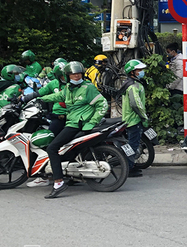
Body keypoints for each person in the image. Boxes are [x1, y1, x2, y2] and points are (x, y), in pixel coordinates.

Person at [29, 61, 108, 198]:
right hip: (71, 122)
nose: (76, 76)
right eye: (73, 74)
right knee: (67, 148)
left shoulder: (88, 88)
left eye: (78, 74)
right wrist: (38, 98)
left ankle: (58, 183)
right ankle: (72, 175)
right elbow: (57, 96)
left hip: (77, 124)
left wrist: (92, 122)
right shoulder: (68, 88)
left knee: (52, 148)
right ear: (67, 76)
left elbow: (103, 104)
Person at [119, 60, 149, 178]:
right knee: (132, 145)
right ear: (132, 72)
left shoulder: (131, 83)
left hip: (130, 118)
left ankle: (130, 164)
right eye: (139, 70)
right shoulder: (132, 86)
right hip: (133, 119)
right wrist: (144, 117)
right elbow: (136, 104)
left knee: (132, 143)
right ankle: (128, 168)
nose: (141, 72)